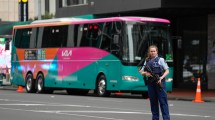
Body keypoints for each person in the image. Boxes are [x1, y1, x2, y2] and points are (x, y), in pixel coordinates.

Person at [139, 45, 170, 120]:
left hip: (160, 83)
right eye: (151, 51)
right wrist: (146, 74)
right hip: (151, 84)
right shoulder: (147, 60)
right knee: (153, 103)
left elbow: (167, 70)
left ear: (157, 52)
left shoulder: (161, 60)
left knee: (163, 103)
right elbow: (141, 71)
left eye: (154, 51)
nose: (153, 53)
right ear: (149, 52)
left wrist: (161, 77)